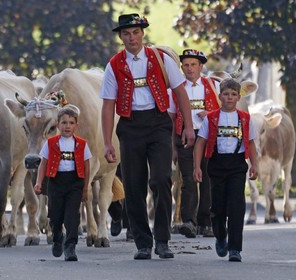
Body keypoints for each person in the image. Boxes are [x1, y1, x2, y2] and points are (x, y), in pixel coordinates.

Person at [100, 13, 195, 260]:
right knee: (133, 185)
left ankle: (162, 240)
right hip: (130, 127)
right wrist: (108, 141)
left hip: (158, 124)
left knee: (162, 180)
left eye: (135, 32)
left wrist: (188, 126)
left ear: (143, 33)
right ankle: (143, 242)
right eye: (126, 33)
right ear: (121, 37)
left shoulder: (161, 59)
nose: (131, 37)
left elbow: (180, 92)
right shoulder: (114, 64)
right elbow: (108, 105)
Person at [193, 78, 259, 262]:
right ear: (220, 96)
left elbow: (252, 143)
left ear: (238, 97)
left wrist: (255, 165)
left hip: (237, 165)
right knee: (218, 208)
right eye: (226, 94)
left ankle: (235, 249)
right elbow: (200, 143)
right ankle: (221, 236)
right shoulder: (212, 117)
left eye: (233, 95)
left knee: (237, 207)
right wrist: (197, 166)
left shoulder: (245, 118)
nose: (229, 98)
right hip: (217, 164)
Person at [171, 49, 220, 238]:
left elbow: (226, 109)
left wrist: (210, 114)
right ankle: (189, 221)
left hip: (208, 136)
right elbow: (171, 116)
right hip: (184, 136)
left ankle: (206, 222)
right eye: (186, 65)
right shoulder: (175, 88)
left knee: (207, 178)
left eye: (193, 64)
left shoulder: (213, 85)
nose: (189, 68)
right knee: (188, 179)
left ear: (201, 66)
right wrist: (172, 146)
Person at [34, 106, 92, 262]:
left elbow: (87, 166)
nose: (67, 126)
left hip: (75, 183)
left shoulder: (82, 144)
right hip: (56, 182)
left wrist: (85, 188)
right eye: (64, 123)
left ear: (76, 126)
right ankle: (57, 237)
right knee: (55, 216)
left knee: (72, 217)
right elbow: (43, 164)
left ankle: (70, 246)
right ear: (58, 125)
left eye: (71, 123)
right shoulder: (50, 143)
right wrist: (39, 182)